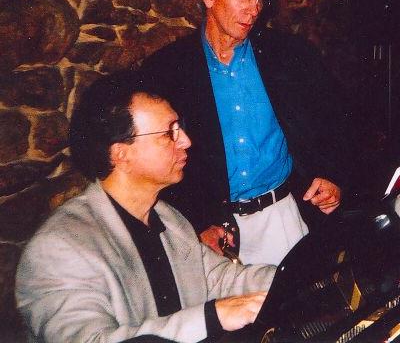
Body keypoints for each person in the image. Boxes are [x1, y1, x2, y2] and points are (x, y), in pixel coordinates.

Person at [15, 72, 276, 343]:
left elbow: (220, 279)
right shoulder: (59, 248)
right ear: (121, 154)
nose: (185, 141)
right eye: (169, 133)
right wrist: (213, 317)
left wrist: (298, 277)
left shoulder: (169, 220)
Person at [139, 0, 352, 265]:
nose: (254, 10)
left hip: (287, 214)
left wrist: (331, 175)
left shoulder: (289, 55)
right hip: (218, 233)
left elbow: (337, 119)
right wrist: (194, 222)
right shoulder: (167, 70)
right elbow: (154, 156)